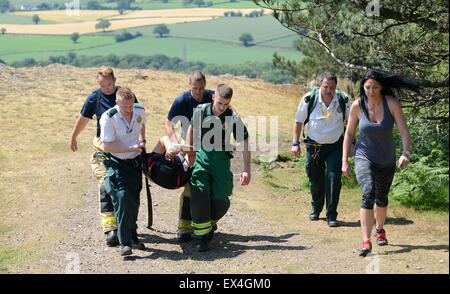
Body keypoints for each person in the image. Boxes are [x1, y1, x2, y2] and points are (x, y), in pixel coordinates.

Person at [341, 70, 419, 257]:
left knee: (381, 197)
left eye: (375, 87)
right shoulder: (357, 105)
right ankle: (365, 240)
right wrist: (345, 160)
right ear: (363, 88)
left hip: (386, 157)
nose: (371, 91)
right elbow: (349, 134)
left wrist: (405, 153)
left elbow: (404, 131)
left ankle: (380, 229)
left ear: (382, 87)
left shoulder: (391, 103)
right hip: (364, 156)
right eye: (367, 87)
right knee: (368, 194)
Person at [69, 66, 139, 246]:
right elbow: (84, 118)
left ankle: (127, 226)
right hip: (102, 147)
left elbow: (137, 117)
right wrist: (74, 136)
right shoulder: (94, 98)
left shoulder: (126, 95)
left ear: (115, 80)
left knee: (125, 188)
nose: (106, 88)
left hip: (123, 147)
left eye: (109, 85)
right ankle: (110, 229)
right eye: (102, 85)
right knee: (105, 185)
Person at [186, 83, 251, 252]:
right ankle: (202, 238)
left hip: (221, 162)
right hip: (201, 159)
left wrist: (246, 169)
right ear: (213, 97)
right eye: (219, 103)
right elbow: (191, 130)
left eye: (226, 104)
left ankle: (207, 225)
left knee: (221, 202)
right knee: (199, 195)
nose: (222, 107)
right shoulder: (201, 111)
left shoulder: (233, 117)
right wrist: (189, 153)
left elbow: (244, 142)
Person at [291, 72, 352, 227]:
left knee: (333, 179)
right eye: (325, 86)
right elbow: (298, 122)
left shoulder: (343, 99)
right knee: (315, 179)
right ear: (320, 86)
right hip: (314, 146)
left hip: (335, 146)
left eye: (332, 87)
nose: (328, 90)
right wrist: (295, 143)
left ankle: (331, 215)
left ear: (336, 87)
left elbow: (351, 123)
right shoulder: (308, 99)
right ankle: (316, 208)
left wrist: (352, 143)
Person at [165, 70, 214, 243]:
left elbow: (230, 115)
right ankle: (184, 228)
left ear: (205, 86)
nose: (198, 92)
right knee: (190, 187)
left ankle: (207, 223)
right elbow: (169, 123)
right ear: (189, 86)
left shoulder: (212, 97)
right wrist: (175, 143)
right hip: (190, 149)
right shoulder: (182, 100)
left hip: (211, 150)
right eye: (195, 88)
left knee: (210, 187)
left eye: (201, 88)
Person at [100, 87, 147, 256]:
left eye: (131, 106)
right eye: (125, 107)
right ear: (117, 103)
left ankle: (133, 236)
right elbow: (107, 146)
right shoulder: (109, 118)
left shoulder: (139, 110)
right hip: (116, 163)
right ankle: (125, 242)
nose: (129, 110)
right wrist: (130, 147)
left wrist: (142, 140)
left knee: (134, 198)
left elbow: (141, 126)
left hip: (134, 162)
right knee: (121, 197)